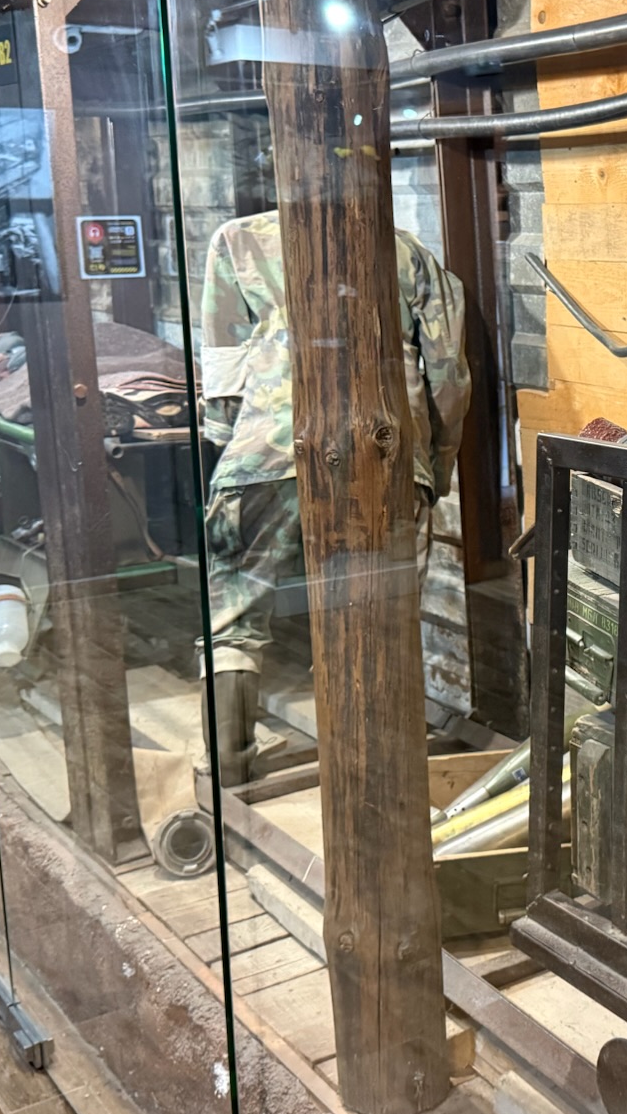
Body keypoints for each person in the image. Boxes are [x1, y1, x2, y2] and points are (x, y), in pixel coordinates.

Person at [194, 209, 470, 786]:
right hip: (383, 453)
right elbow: (448, 375)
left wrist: (230, 446)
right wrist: (437, 465)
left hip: (268, 446)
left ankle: (228, 767)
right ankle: (370, 768)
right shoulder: (406, 251)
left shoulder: (238, 240)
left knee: (232, 619)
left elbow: (222, 367)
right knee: (377, 614)